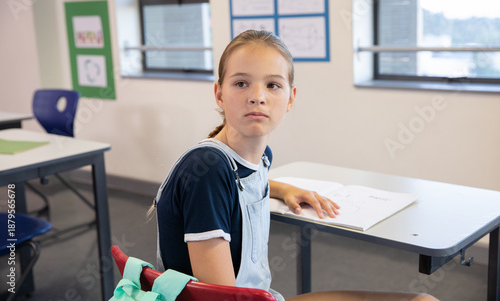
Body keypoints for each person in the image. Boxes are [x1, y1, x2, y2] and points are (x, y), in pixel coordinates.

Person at [152, 30, 438, 301]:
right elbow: (218, 297)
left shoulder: (258, 158)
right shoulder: (207, 168)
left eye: (273, 85)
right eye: (241, 83)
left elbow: (243, 184)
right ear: (219, 94)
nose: (257, 96)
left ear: (290, 99)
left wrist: (282, 188)